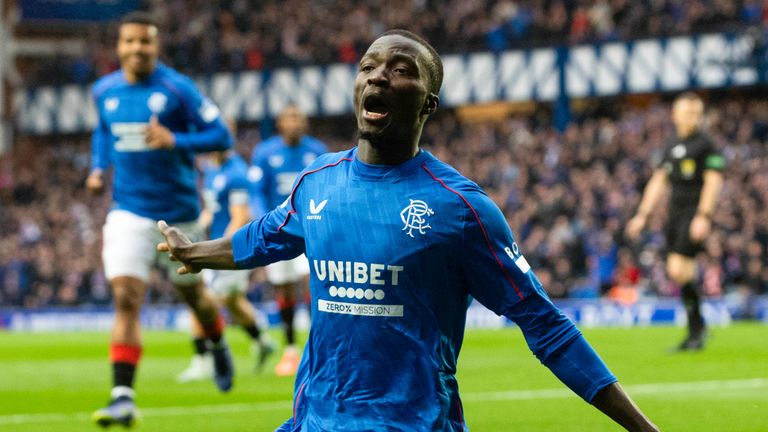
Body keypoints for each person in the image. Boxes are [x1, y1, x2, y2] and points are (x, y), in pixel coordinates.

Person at [158, 30, 659, 431]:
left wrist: (641, 427)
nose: (378, 78)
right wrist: (195, 252)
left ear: (428, 104)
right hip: (313, 421)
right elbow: (263, 237)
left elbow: (546, 326)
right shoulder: (317, 181)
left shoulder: (460, 208)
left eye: (401, 72)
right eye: (368, 67)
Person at [87, 11, 235, 428]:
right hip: (128, 210)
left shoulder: (178, 88)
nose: (137, 49)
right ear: (119, 47)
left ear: (156, 46)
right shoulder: (105, 90)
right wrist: (99, 169)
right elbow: (102, 131)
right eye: (130, 41)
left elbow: (222, 136)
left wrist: (176, 140)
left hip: (180, 214)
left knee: (195, 299)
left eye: (145, 42)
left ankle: (218, 341)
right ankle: (123, 397)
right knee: (126, 297)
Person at [626, 92, 725, 351]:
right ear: (675, 114)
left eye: (696, 113)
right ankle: (698, 328)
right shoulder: (672, 144)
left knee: (680, 269)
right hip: (674, 214)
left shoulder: (706, 143)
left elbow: (714, 181)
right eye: (687, 112)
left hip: (693, 213)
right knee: (678, 272)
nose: (692, 117)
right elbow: (658, 180)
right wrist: (642, 215)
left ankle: (696, 331)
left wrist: (704, 216)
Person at [177, 144, 276, 383]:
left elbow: (241, 217)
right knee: (232, 301)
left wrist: (220, 250)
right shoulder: (212, 170)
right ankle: (261, 341)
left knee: (201, 298)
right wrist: (196, 232)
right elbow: (212, 211)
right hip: (217, 244)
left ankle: (203, 359)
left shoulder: (237, 174)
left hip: (231, 248)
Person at [249, 105, 327, 376]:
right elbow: (256, 192)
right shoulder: (265, 153)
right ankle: (291, 349)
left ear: (304, 122)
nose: (294, 122)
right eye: (289, 117)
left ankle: (319, 346)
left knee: (312, 282)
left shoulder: (316, 151)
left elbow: (326, 187)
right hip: (280, 231)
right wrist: (265, 221)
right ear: (280, 123)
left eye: (298, 117)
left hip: (309, 229)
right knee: (283, 289)